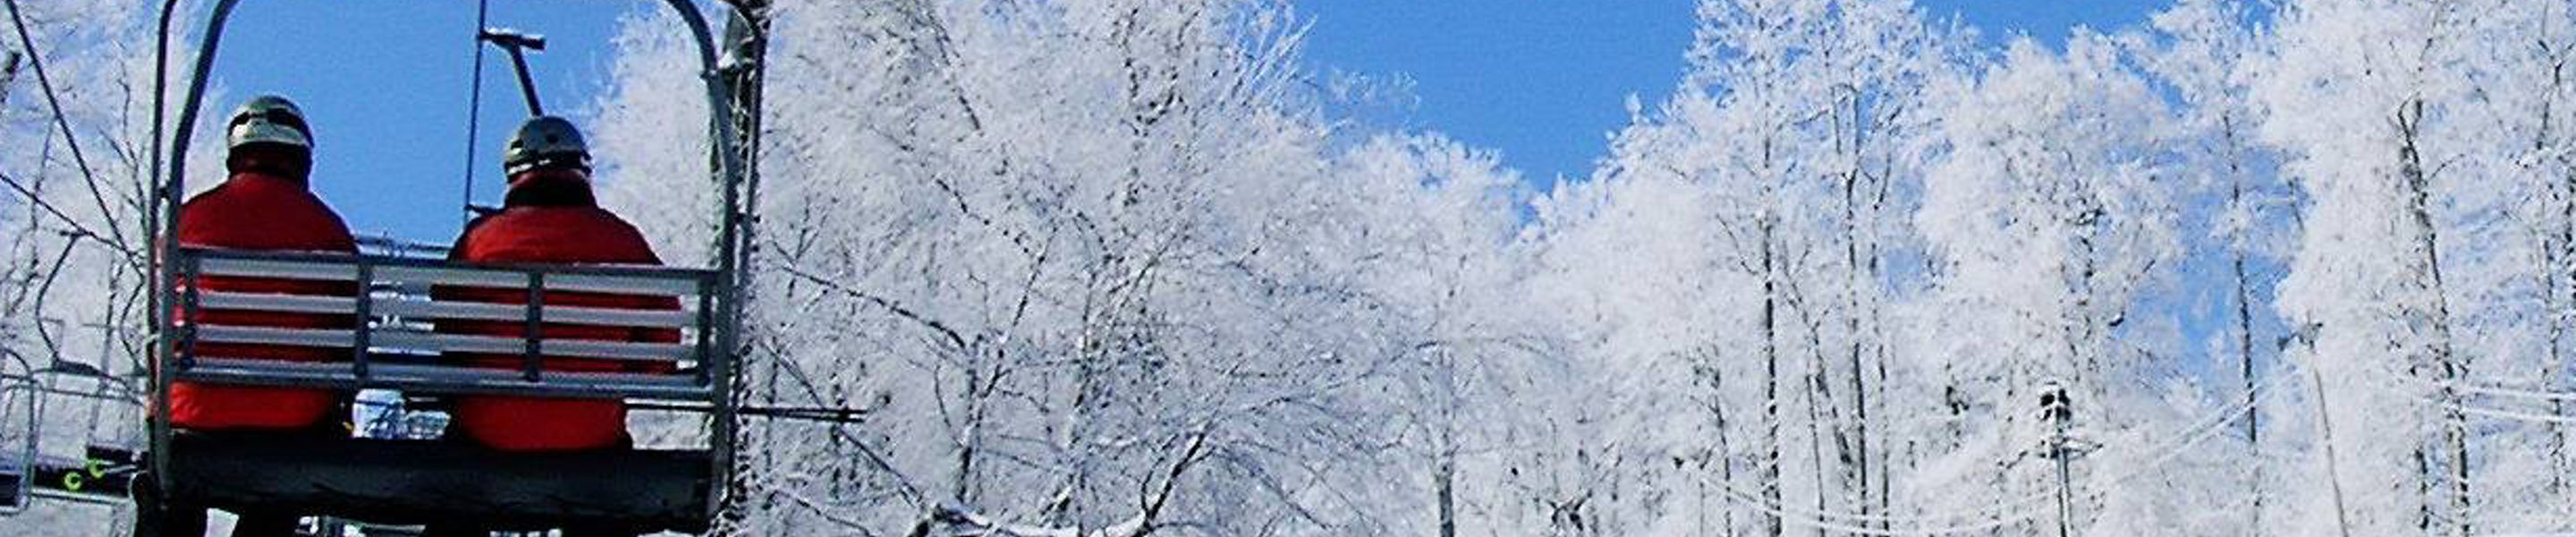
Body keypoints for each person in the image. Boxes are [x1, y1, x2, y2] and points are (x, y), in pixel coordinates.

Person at [423, 116, 675, 537]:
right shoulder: (623, 241)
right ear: (581, 169)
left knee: (455, 498)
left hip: (491, 429)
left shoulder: (480, 241)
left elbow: (449, 329)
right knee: (604, 498)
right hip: (590, 432)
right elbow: (660, 347)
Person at [146, 95, 354, 537]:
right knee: (284, 488)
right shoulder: (327, 230)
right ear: (301, 157)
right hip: (291, 419)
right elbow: (346, 329)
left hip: (192, 410)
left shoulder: (191, 217)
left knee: (172, 489)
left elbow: (162, 309)